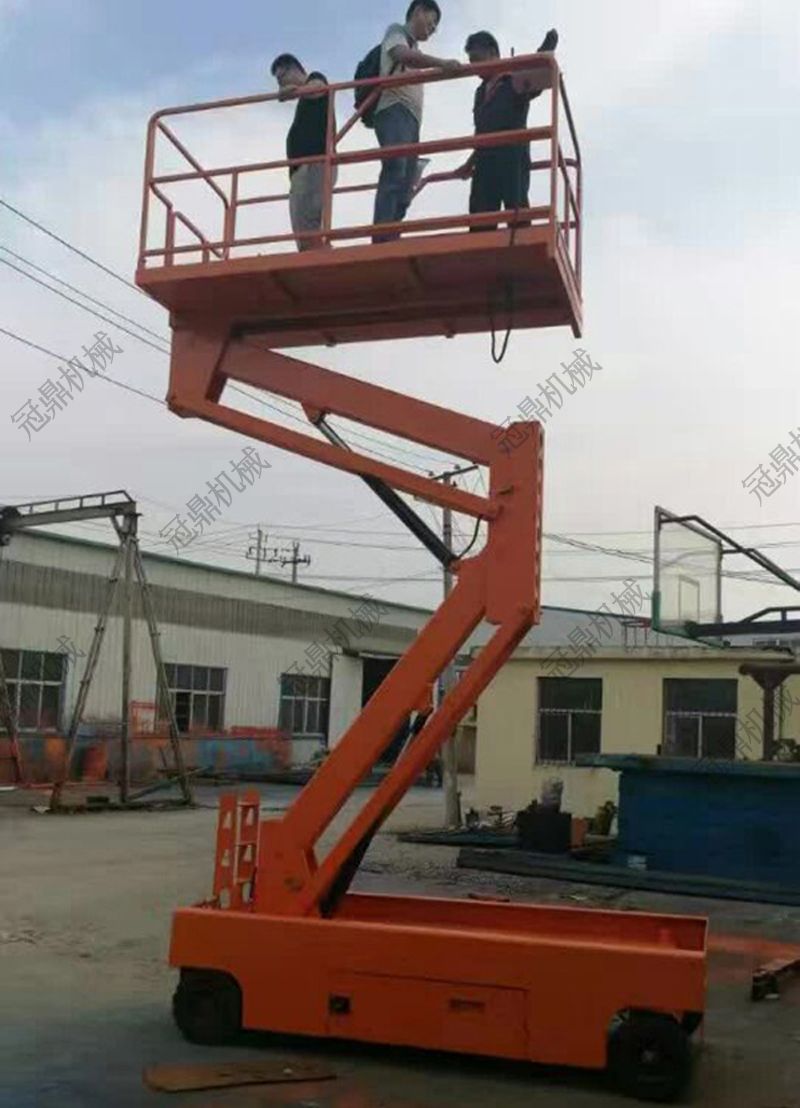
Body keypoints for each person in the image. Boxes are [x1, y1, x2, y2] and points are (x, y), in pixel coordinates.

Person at [372, 1, 461, 242]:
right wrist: (442, 64)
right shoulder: (397, 32)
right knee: (395, 169)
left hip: (410, 118)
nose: (432, 29)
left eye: (435, 26)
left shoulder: (415, 49)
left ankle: (391, 233)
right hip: (394, 109)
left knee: (406, 182)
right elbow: (401, 55)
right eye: (432, 21)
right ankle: (382, 237)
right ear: (418, 11)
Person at [457, 30, 558, 230]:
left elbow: (536, 73)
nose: (474, 67)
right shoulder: (480, 92)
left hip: (512, 154)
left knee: (516, 209)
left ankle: (523, 244)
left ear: (492, 53)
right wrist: (470, 163)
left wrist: (546, 49)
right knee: (480, 216)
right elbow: (484, 132)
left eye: (477, 59)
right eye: (471, 61)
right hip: (484, 160)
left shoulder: (513, 79)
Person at [271, 54, 334, 252]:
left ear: (292, 68)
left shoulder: (315, 78)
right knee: (303, 226)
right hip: (304, 169)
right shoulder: (304, 100)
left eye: (281, 77)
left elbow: (318, 88)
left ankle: (319, 259)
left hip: (314, 165)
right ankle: (314, 254)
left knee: (308, 224)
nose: (281, 84)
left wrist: (293, 91)